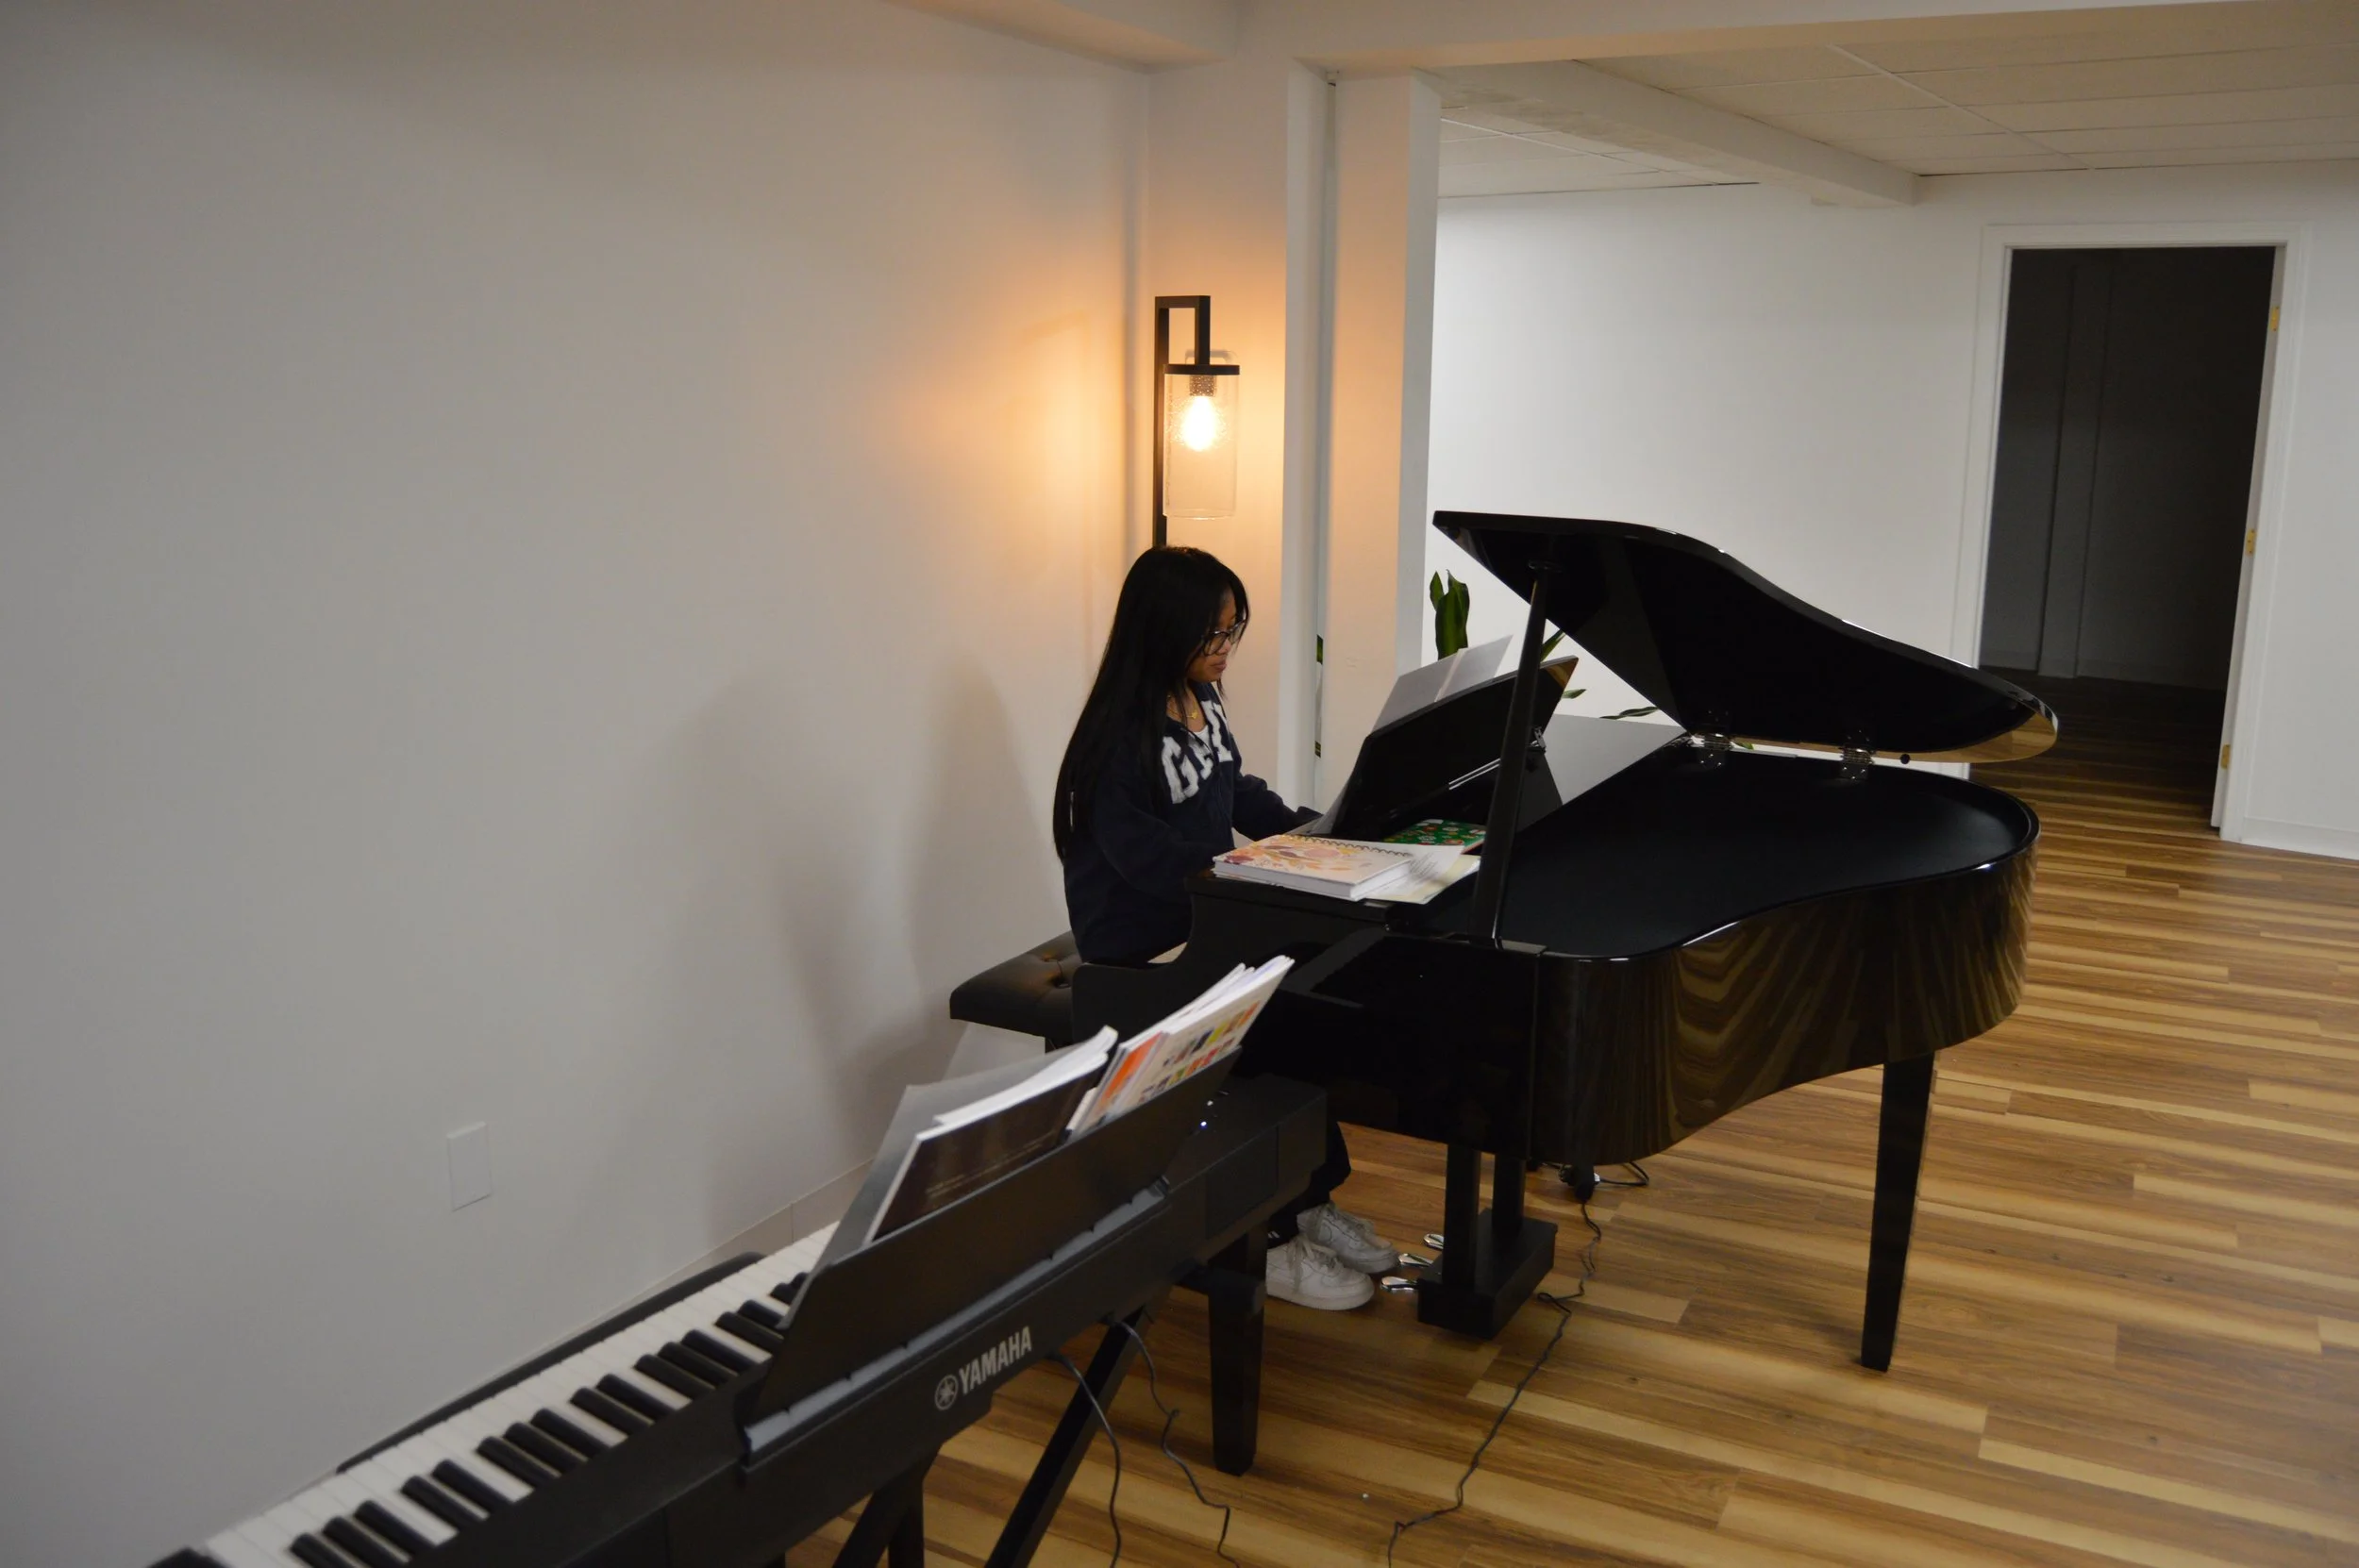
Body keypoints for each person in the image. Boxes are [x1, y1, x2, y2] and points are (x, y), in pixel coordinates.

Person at [1054, 546, 1397, 1310]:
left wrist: (1321, 833)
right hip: (1146, 942)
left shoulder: (1199, 699)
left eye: (1233, 630)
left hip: (1209, 914)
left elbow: (1236, 791)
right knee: (1274, 1020)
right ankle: (1263, 1237)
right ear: (1165, 632)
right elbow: (1146, 859)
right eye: (1215, 635)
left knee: (1315, 1001)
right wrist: (1245, 873)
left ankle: (1308, 1197)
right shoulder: (1116, 738)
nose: (1226, 649)